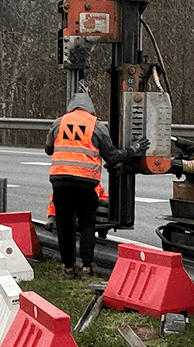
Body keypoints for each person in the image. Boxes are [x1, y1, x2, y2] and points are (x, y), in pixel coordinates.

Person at [45, 92, 149, 278]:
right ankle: (86, 268)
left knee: (65, 225)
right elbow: (112, 156)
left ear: (72, 107)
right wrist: (134, 149)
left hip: (60, 183)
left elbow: (48, 149)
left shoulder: (59, 123)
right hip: (86, 184)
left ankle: (68, 268)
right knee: (87, 225)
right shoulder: (97, 126)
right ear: (90, 108)